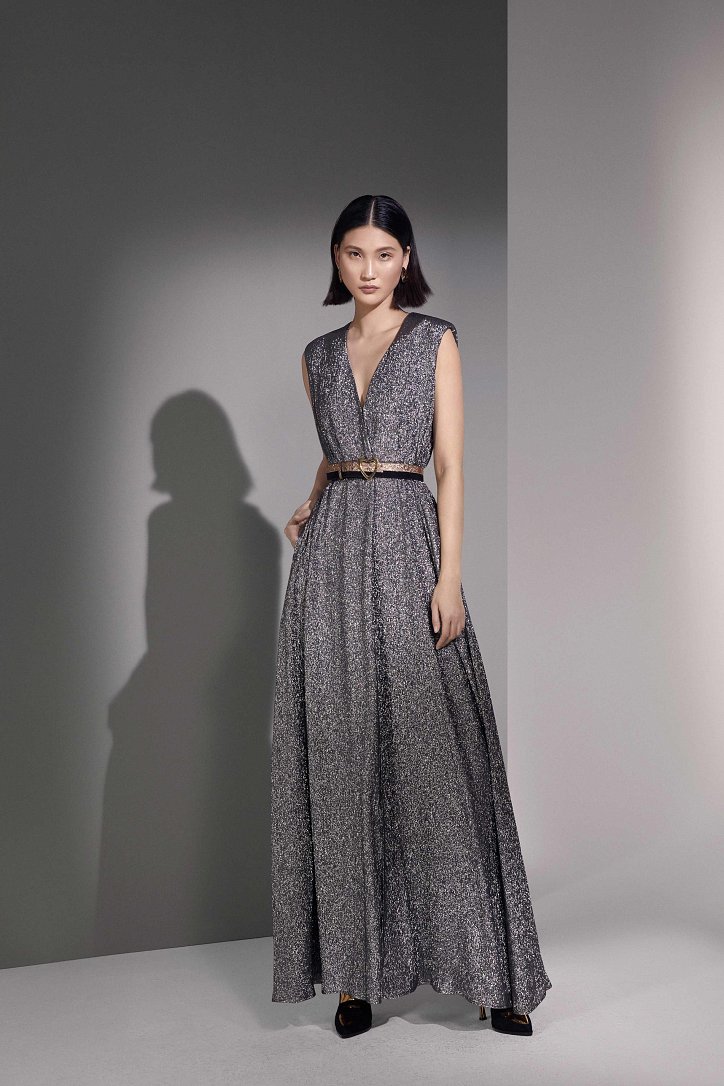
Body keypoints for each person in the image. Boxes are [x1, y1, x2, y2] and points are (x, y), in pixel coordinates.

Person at [270, 194, 552, 1038]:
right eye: (354, 252)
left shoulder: (434, 340)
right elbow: (338, 452)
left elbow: (450, 465)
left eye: (384, 253)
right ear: (336, 257)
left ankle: (493, 973)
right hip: (330, 561)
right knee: (343, 759)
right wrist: (312, 497)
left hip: (406, 542)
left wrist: (450, 575)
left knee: (440, 757)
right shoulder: (318, 354)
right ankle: (355, 978)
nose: (368, 269)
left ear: (406, 260)